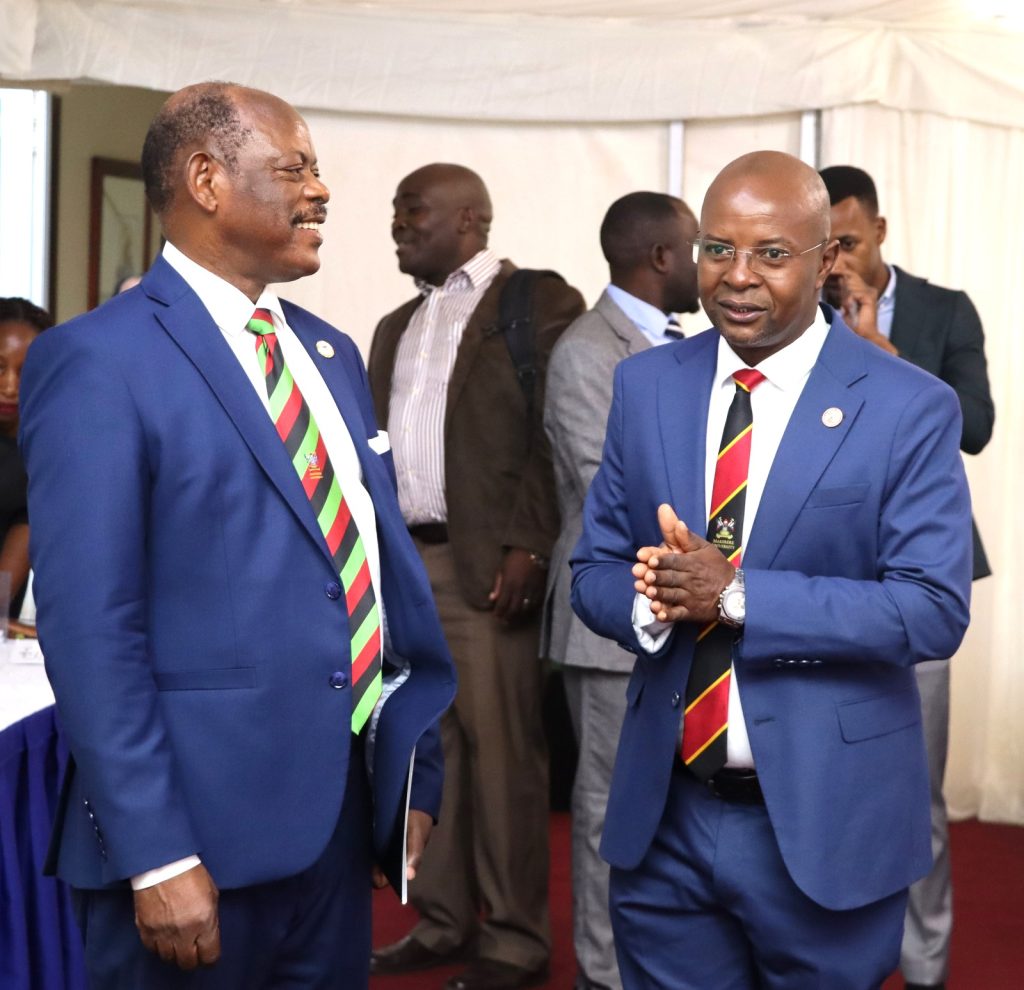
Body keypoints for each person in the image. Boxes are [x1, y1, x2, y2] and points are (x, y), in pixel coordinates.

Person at [19, 82, 455, 988]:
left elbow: (373, 568)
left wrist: (412, 767)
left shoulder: (327, 353)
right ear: (207, 180)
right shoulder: (100, 360)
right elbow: (93, 628)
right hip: (195, 850)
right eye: (295, 167)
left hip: (335, 833)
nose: (322, 191)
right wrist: (156, 855)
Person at [570, 150, 973, 989]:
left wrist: (739, 595)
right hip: (667, 820)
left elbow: (932, 608)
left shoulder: (909, 406)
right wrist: (655, 600)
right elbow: (595, 567)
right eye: (717, 250)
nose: (737, 277)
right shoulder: (646, 386)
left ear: (828, 261)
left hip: (824, 821)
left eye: (772, 254)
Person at [367, 163, 584, 990]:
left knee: (503, 761)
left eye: (410, 210)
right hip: (409, 565)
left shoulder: (535, 303)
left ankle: (519, 939)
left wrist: (532, 543)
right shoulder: (396, 324)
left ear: (469, 218)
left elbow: (552, 434)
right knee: (429, 750)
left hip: (488, 563)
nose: (395, 224)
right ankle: (446, 918)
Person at [820, 163, 994, 990]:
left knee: (915, 794)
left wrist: (878, 353)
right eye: (825, 244)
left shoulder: (943, 310)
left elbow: (977, 424)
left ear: (879, 232)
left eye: (848, 240)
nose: (838, 257)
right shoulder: (793, 313)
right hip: (815, 579)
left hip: (919, 580)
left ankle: (923, 971)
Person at [541, 191, 699, 990]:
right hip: (610, 625)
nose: (713, 264)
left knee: (674, 807)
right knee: (607, 806)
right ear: (661, 258)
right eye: (699, 246)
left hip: (686, 611)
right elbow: (610, 488)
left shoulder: (684, 345)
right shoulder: (586, 352)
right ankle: (603, 975)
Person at [0, 297, 52, 620]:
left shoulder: (41, 461)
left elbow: (3, 589)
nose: (9, 386)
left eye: (25, 370)